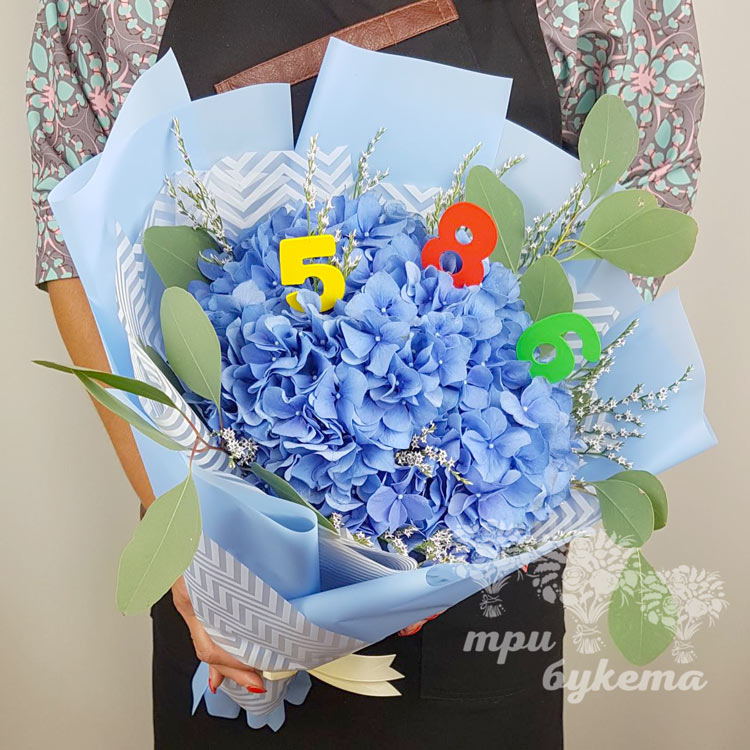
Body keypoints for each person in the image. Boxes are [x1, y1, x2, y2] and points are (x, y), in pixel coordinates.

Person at [27, 1, 704, 747]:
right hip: (225, 598)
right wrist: (197, 551)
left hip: (479, 592)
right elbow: (74, 244)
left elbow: (636, 228)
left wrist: (458, 541)